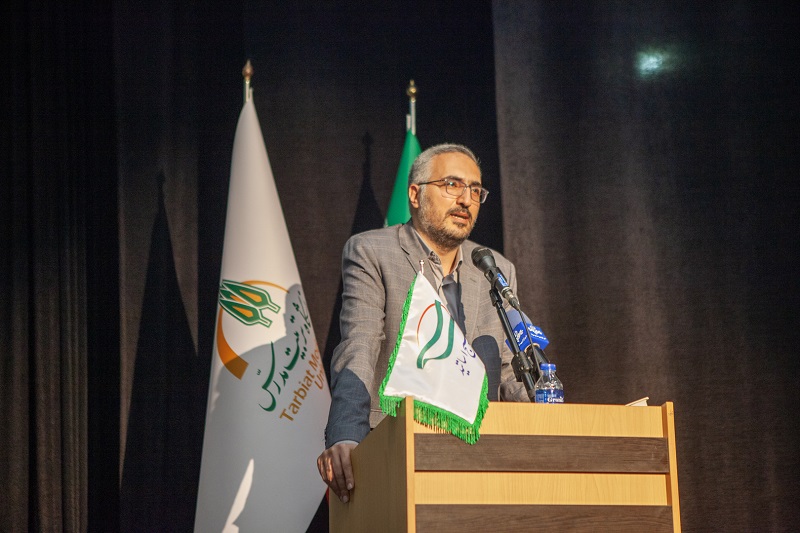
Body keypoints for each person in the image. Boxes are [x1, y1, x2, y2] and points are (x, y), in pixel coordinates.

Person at [317, 143, 526, 503]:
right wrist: (346, 435)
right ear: (415, 194)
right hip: (396, 446)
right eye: (452, 185)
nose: (466, 200)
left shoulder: (494, 268)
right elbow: (359, 345)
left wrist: (553, 417)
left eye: (475, 190)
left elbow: (509, 368)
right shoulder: (372, 252)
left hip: (480, 456)